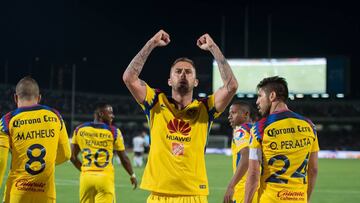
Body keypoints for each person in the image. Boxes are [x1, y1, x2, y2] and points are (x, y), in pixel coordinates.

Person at [122, 29, 238, 202]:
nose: (183, 74)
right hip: (159, 195)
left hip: (193, 195)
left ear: (196, 82)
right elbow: (129, 78)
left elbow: (231, 87)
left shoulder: (205, 108)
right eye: (178, 71)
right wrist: (152, 43)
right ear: (169, 80)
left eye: (188, 72)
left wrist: (213, 47)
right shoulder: (155, 102)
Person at [244, 76, 319, 203]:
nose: (257, 102)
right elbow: (313, 169)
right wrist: (306, 198)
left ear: (272, 96)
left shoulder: (260, 128)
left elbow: (253, 174)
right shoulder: (309, 125)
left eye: (260, 96)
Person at [0, 76, 71, 203]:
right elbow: (66, 154)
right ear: (39, 98)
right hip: (46, 193)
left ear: (15, 97)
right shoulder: (55, 115)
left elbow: (1, 160)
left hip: (18, 191)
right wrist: (46, 163)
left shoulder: (7, 121)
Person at [70, 103, 137, 203]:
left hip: (86, 178)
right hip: (105, 178)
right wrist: (132, 175)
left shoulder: (79, 129)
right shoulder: (114, 131)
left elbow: (72, 156)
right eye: (110, 113)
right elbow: (124, 158)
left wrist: (85, 169)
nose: (112, 116)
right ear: (101, 114)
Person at [223, 101, 258, 203]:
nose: (229, 117)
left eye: (233, 113)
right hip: (258, 190)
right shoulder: (257, 130)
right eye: (229, 114)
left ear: (246, 114)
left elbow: (246, 156)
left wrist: (231, 186)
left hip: (243, 191)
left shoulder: (240, 131)